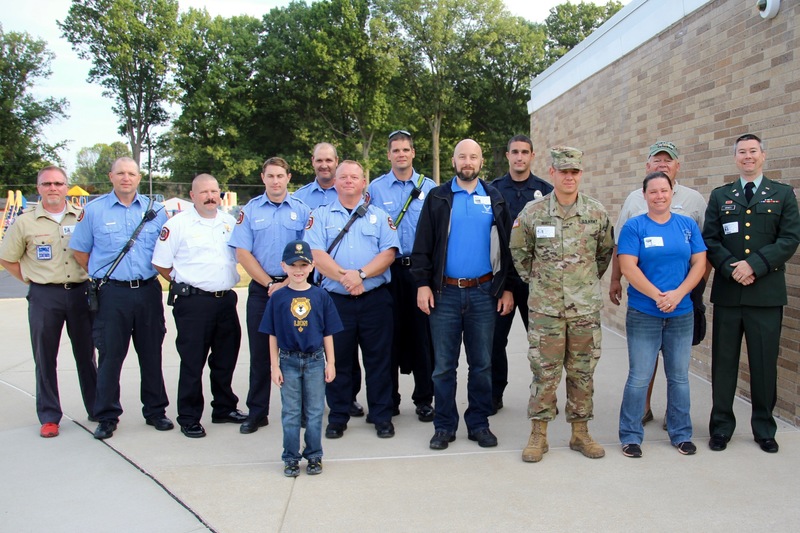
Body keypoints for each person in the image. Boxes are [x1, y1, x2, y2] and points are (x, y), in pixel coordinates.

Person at [510, 146, 613, 462]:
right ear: (552, 173)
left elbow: (603, 254)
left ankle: (580, 433)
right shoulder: (533, 212)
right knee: (544, 372)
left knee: (582, 372)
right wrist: (541, 284)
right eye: (563, 171)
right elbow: (519, 252)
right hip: (546, 312)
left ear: (581, 174)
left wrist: (581, 284)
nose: (569, 177)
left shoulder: (596, 213)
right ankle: (538, 434)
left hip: (584, 310)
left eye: (575, 172)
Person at [411, 139, 515, 450]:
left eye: (473, 157)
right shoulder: (438, 197)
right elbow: (423, 245)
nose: (467, 162)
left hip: (484, 293)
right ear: (454, 161)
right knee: (444, 366)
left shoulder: (494, 198)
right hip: (444, 294)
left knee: (482, 364)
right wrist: (422, 284)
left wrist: (506, 287)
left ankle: (479, 423)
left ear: (481, 161)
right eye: (462, 157)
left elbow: (509, 248)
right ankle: (444, 426)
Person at [703, 133, 800, 454]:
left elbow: (789, 239)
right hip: (729, 295)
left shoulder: (782, 195)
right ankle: (720, 427)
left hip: (766, 296)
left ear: (763, 155)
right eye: (742, 152)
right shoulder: (721, 196)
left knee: (763, 364)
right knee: (724, 364)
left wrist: (754, 265)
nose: (748, 156)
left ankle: (764, 428)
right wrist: (732, 267)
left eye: (753, 151)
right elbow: (711, 239)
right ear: (735, 158)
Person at [69, 157, 171, 440]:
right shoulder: (93, 211)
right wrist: (100, 273)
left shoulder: (156, 210)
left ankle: (155, 411)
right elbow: (80, 251)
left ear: (139, 178)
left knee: (151, 354)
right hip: (112, 293)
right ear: (110, 176)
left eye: (132, 174)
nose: (126, 178)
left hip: (148, 290)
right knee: (111, 356)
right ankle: (107, 416)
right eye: (121, 173)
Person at [609, 141, 708, 429]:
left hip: (682, 302)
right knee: (640, 373)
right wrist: (622, 281)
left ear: (676, 170)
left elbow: (701, 257)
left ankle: (679, 428)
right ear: (645, 191)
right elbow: (625, 258)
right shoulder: (634, 219)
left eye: (664, 190)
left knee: (678, 375)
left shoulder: (690, 212)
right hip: (645, 306)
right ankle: (634, 425)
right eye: (653, 191)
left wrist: (684, 292)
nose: (659, 195)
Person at [305, 160, 399, 439]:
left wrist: (360, 275)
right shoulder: (320, 216)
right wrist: (346, 278)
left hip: (375, 300)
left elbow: (388, 254)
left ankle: (381, 415)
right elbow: (316, 254)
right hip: (336, 301)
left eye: (354, 177)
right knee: (338, 360)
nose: (348, 181)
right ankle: (338, 415)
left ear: (363, 183)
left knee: (379, 360)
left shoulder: (380, 217)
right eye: (343, 176)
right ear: (334, 182)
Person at [0, 166, 97, 437]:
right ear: (38, 187)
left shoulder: (82, 217)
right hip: (45, 295)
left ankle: (97, 407)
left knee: (87, 354)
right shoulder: (25, 222)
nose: (52, 188)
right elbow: (7, 258)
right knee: (45, 357)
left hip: (80, 291)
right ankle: (50, 415)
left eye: (58, 183)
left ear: (67, 187)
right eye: (46, 184)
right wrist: (31, 279)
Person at [152, 174, 246, 438]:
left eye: (214, 191)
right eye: (204, 192)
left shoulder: (229, 222)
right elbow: (160, 263)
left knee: (226, 358)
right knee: (193, 362)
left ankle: (224, 408)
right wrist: (185, 282)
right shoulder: (178, 225)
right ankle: (189, 416)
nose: (210, 196)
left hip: (225, 300)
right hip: (194, 303)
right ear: (192, 195)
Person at [228, 157, 311, 434]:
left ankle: (300, 411)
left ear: (289, 177)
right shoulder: (249, 211)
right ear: (262, 177)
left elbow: (309, 253)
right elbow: (243, 252)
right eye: (270, 176)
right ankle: (257, 412)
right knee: (262, 352)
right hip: (263, 291)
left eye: (280, 176)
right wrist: (268, 284)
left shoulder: (301, 210)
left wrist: (289, 280)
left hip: (296, 288)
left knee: (299, 351)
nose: (275, 181)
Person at [368, 130, 436, 422]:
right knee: (388, 338)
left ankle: (424, 399)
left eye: (405, 149)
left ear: (413, 153)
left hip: (420, 272)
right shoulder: (375, 188)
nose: (400, 154)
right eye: (395, 150)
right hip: (389, 271)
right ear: (388, 155)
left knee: (423, 339)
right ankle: (390, 399)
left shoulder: (431, 188)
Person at [261, 240, 342, 477]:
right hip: (288, 360)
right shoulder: (278, 298)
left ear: (312, 266)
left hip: (315, 359)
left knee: (316, 410)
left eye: (303, 265)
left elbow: (328, 332)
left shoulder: (321, 296)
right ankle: (291, 457)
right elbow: (272, 334)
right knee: (291, 412)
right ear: (283, 266)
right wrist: (274, 365)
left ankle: (314, 455)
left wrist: (332, 362)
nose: (298, 270)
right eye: (293, 265)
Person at [294, 143, 364, 419]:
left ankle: (348, 399)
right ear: (313, 162)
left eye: (329, 160)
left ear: (336, 163)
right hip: (309, 281)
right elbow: (303, 245)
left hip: (344, 283)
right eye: (319, 160)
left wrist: (351, 278)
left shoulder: (357, 194)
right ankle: (309, 401)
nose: (324, 164)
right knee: (310, 346)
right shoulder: (300, 199)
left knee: (344, 346)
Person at [489, 135, 553, 414]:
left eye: (524, 152)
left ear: (532, 156)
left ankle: (544, 396)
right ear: (507, 155)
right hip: (503, 278)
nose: (519, 157)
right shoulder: (491, 190)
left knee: (541, 343)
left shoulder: (546, 191)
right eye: (514, 152)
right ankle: (494, 394)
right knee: (494, 342)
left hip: (535, 281)